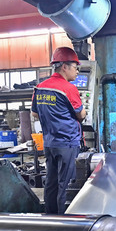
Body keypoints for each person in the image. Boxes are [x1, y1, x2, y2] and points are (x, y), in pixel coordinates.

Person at [31, 46, 86, 214]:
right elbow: (81, 115)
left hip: (49, 143)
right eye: (75, 68)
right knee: (67, 184)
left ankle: (50, 217)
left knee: (51, 182)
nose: (77, 72)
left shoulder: (40, 87)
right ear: (64, 66)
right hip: (67, 143)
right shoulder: (68, 88)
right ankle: (65, 221)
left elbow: (34, 113)